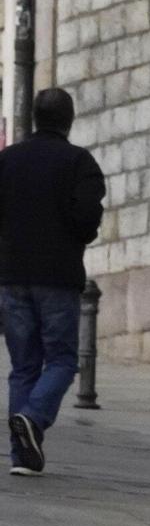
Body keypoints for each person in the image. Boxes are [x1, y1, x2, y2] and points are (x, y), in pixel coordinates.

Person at [0, 88, 105, 477]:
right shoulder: (80, 163)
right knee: (61, 360)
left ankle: (22, 455)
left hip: (11, 277)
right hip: (57, 278)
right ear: (69, 120)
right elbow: (86, 222)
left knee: (23, 366)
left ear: (33, 118)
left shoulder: (7, 161)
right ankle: (32, 416)